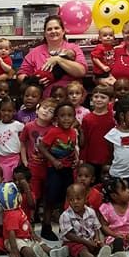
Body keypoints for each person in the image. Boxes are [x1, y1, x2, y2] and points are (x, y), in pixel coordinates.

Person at [50, 183, 126, 257]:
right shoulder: (65, 215)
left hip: (90, 240)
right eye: (71, 200)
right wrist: (87, 242)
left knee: (102, 247)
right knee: (84, 252)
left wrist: (96, 239)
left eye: (78, 199)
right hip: (74, 242)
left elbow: (96, 228)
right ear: (68, 200)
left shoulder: (91, 212)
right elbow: (69, 235)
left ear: (86, 198)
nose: (75, 202)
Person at [37, 102, 79, 241]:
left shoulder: (73, 132)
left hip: (67, 170)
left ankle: (64, 227)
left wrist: (76, 160)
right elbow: (42, 147)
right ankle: (46, 227)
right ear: (56, 118)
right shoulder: (53, 132)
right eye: (62, 116)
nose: (66, 119)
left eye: (69, 116)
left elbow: (72, 148)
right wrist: (53, 161)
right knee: (50, 200)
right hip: (54, 171)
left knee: (64, 200)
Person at [18, 15, 87, 96]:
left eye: (56, 28)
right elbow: (21, 75)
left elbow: (81, 72)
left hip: (69, 99)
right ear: (45, 33)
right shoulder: (34, 52)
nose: (53, 31)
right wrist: (33, 81)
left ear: (63, 31)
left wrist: (58, 59)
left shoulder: (73, 49)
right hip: (43, 99)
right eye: (49, 29)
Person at [0, 181, 50, 257]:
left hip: (26, 237)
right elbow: (11, 233)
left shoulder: (18, 209)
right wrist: (14, 250)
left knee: (39, 242)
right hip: (14, 240)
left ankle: (51, 251)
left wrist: (33, 233)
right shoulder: (11, 215)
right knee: (24, 249)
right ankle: (35, 255)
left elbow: (26, 222)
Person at [97, 176, 129, 257]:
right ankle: (117, 251)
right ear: (114, 196)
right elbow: (104, 226)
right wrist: (114, 235)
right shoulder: (106, 208)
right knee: (113, 242)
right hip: (115, 236)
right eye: (124, 189)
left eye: (128, 188)